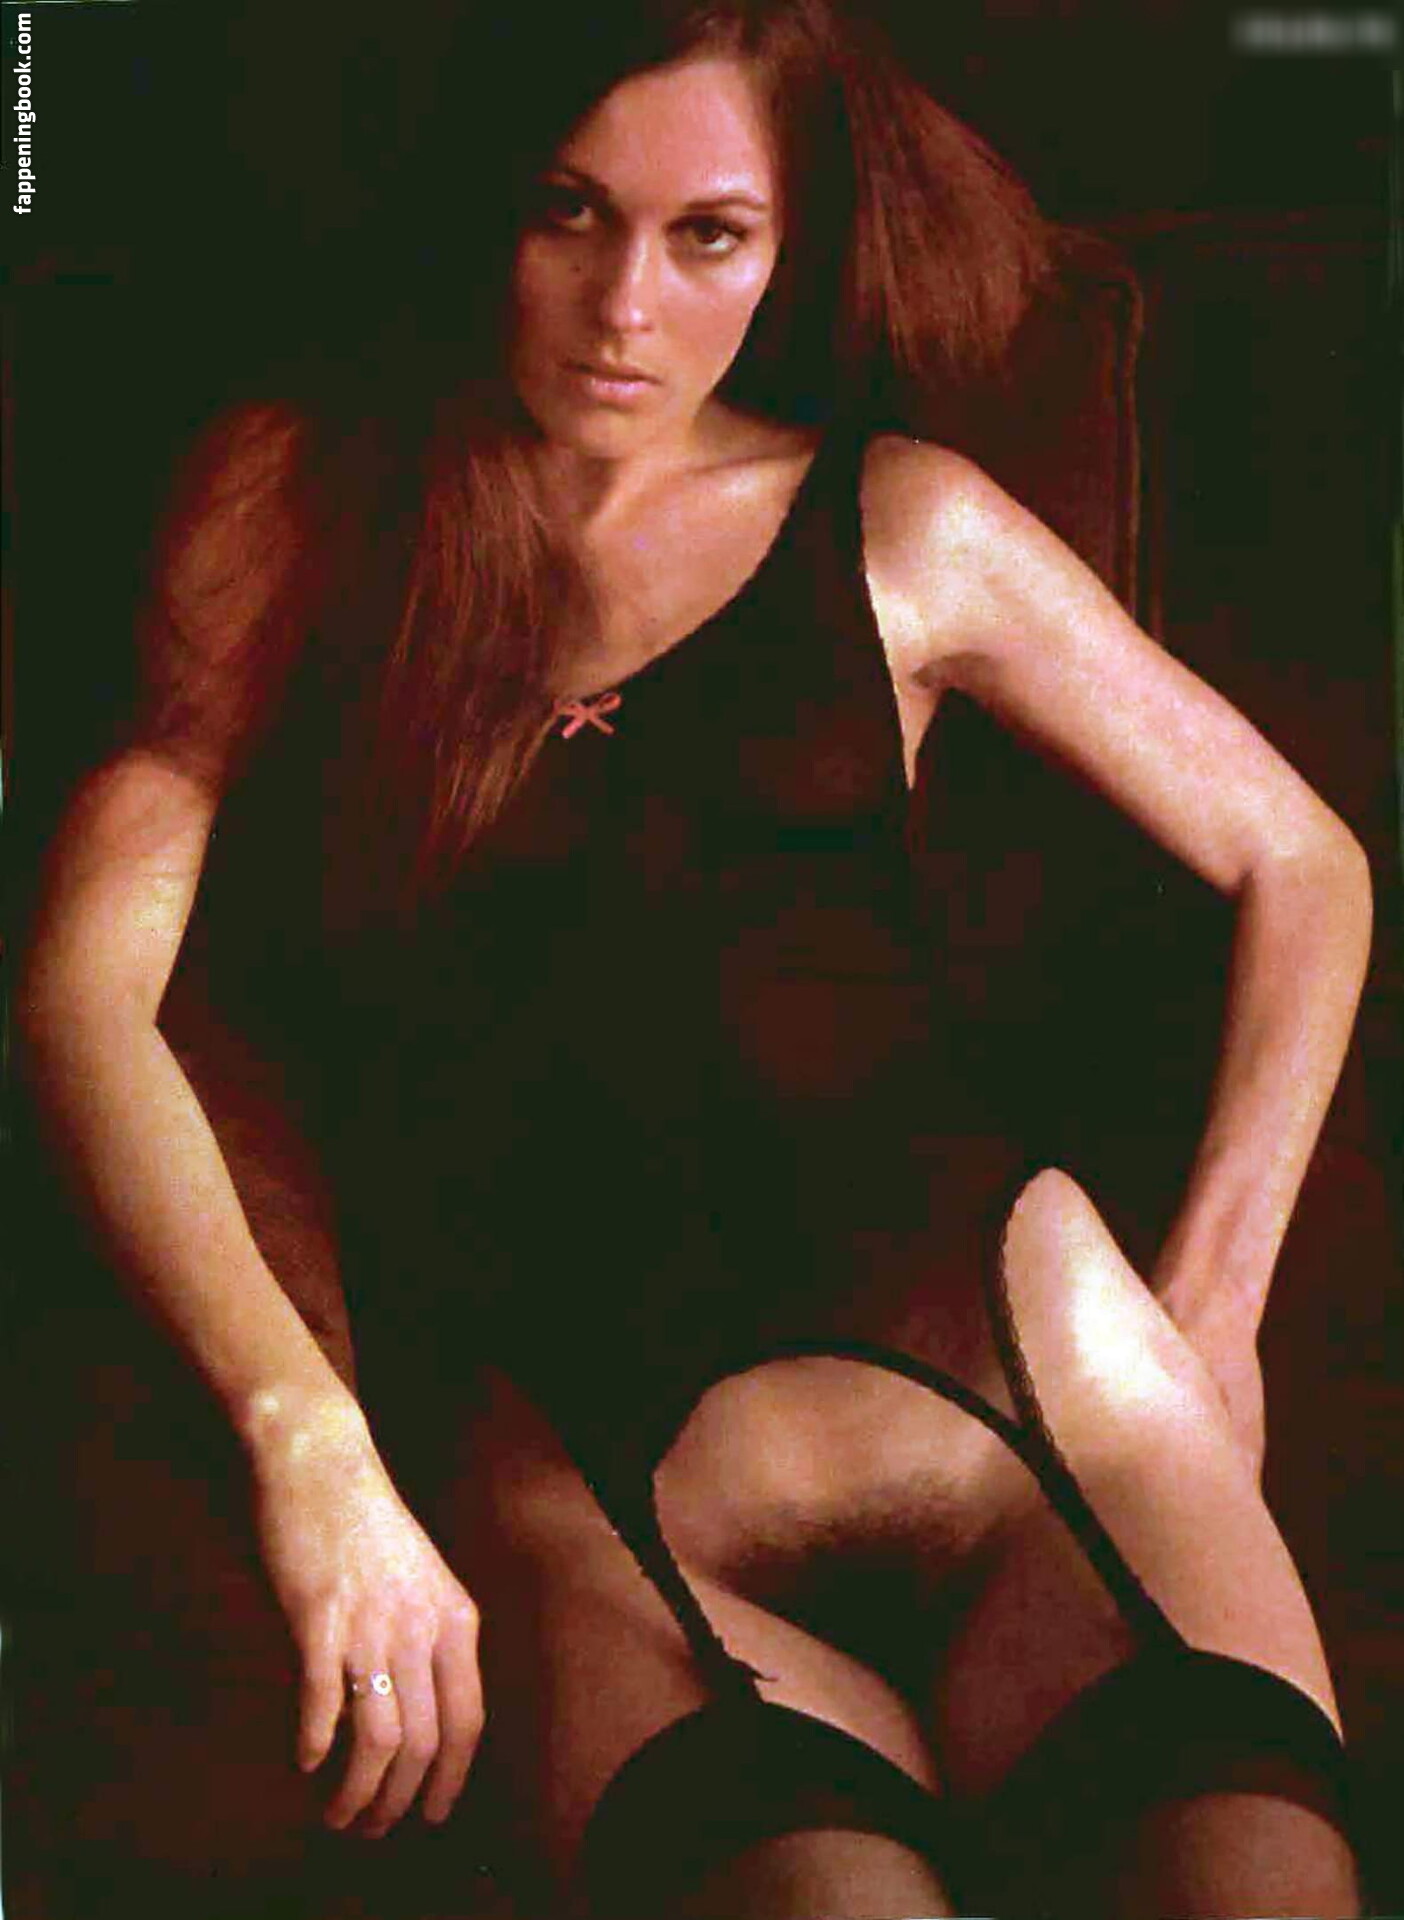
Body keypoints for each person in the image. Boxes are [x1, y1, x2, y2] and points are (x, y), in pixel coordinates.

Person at [18, 1, 1373, 1912]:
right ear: (489, 205)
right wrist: (303, 1437)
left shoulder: (906, 523)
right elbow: (86, 995)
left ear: (792, 244)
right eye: (567, 212)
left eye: (707, 235)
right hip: (606, 1489)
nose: (623, 306)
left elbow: (1301, 860)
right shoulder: (299, 506)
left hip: (1050, 1416)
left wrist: (1217, 1302)